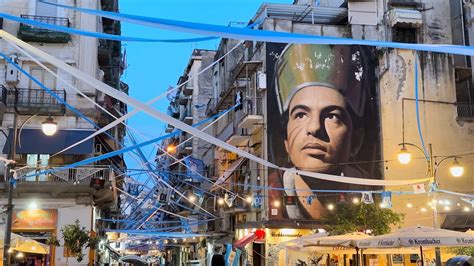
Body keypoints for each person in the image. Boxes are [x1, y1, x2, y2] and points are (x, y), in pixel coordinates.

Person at [268, 44, 377, 219]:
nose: (314, 128)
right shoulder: (273, 187)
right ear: (286, 142)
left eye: (332, 116)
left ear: (356, 140)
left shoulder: (369, 189)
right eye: (301, 114)